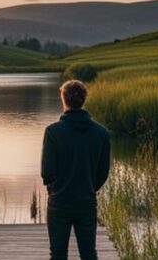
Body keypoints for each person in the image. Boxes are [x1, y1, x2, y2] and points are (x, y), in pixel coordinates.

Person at [41, 80, 111, 260]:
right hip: (86, 201)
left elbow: (47, 172)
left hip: (60, 202)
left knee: (58, 254)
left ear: (63, 99)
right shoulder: (101, 133)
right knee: (88, 253)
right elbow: (103, 172)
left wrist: (56, 190)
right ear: (84, 100)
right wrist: (88, 187)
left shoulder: (53, 132)